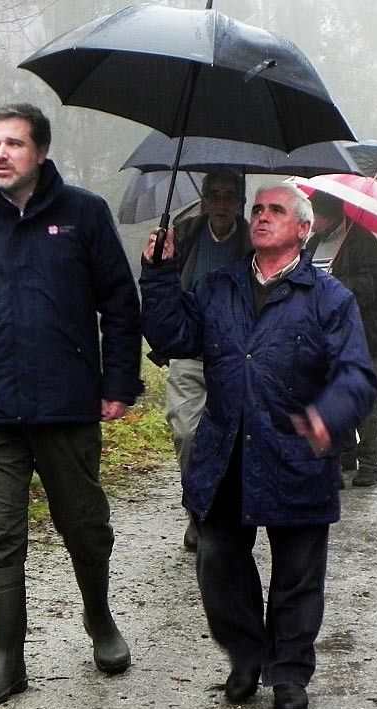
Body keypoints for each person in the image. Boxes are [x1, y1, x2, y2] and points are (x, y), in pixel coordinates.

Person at [0, 103, 144, 705]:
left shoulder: (84, 215)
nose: (1, 154)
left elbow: (120, 304)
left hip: (68, 404)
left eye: (14, 144)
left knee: (84, 524)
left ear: (40, 152)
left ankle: (99, 620)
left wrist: (120, 381)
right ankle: (7, 659)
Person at [140, 183, 377, 709]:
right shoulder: (219, 286)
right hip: (227, 451)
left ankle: (290, 672)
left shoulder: (329, 298)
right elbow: (173, 335)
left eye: (276, 210)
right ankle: (247, 655)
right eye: (258, 209)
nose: (262, 217)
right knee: (219, 563)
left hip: (294, 453)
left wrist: (328, 415)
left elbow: (357, 375)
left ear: (302, 228)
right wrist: (157, 273)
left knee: (297, 575)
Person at [162, 169, 251, 551]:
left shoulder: (256, 239)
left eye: (230, 195)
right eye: (214, 194)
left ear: (240, 202)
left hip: (236, 359)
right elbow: (160, 285)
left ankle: (218, 516)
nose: (221, 202)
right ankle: (197, 512)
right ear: (203, 199)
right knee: (187, 435)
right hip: (189, 354)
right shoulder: (182, 233)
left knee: (232, 442)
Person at [304, 190, 377, 487]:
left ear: (329, 214)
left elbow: (375, 285)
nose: (310, 219)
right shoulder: (314, 242)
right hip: (326, 336)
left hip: (364, 335)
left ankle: (370, 462)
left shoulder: (363, 243)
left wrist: (334, 284)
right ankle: (344, 455)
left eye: (314, 213)